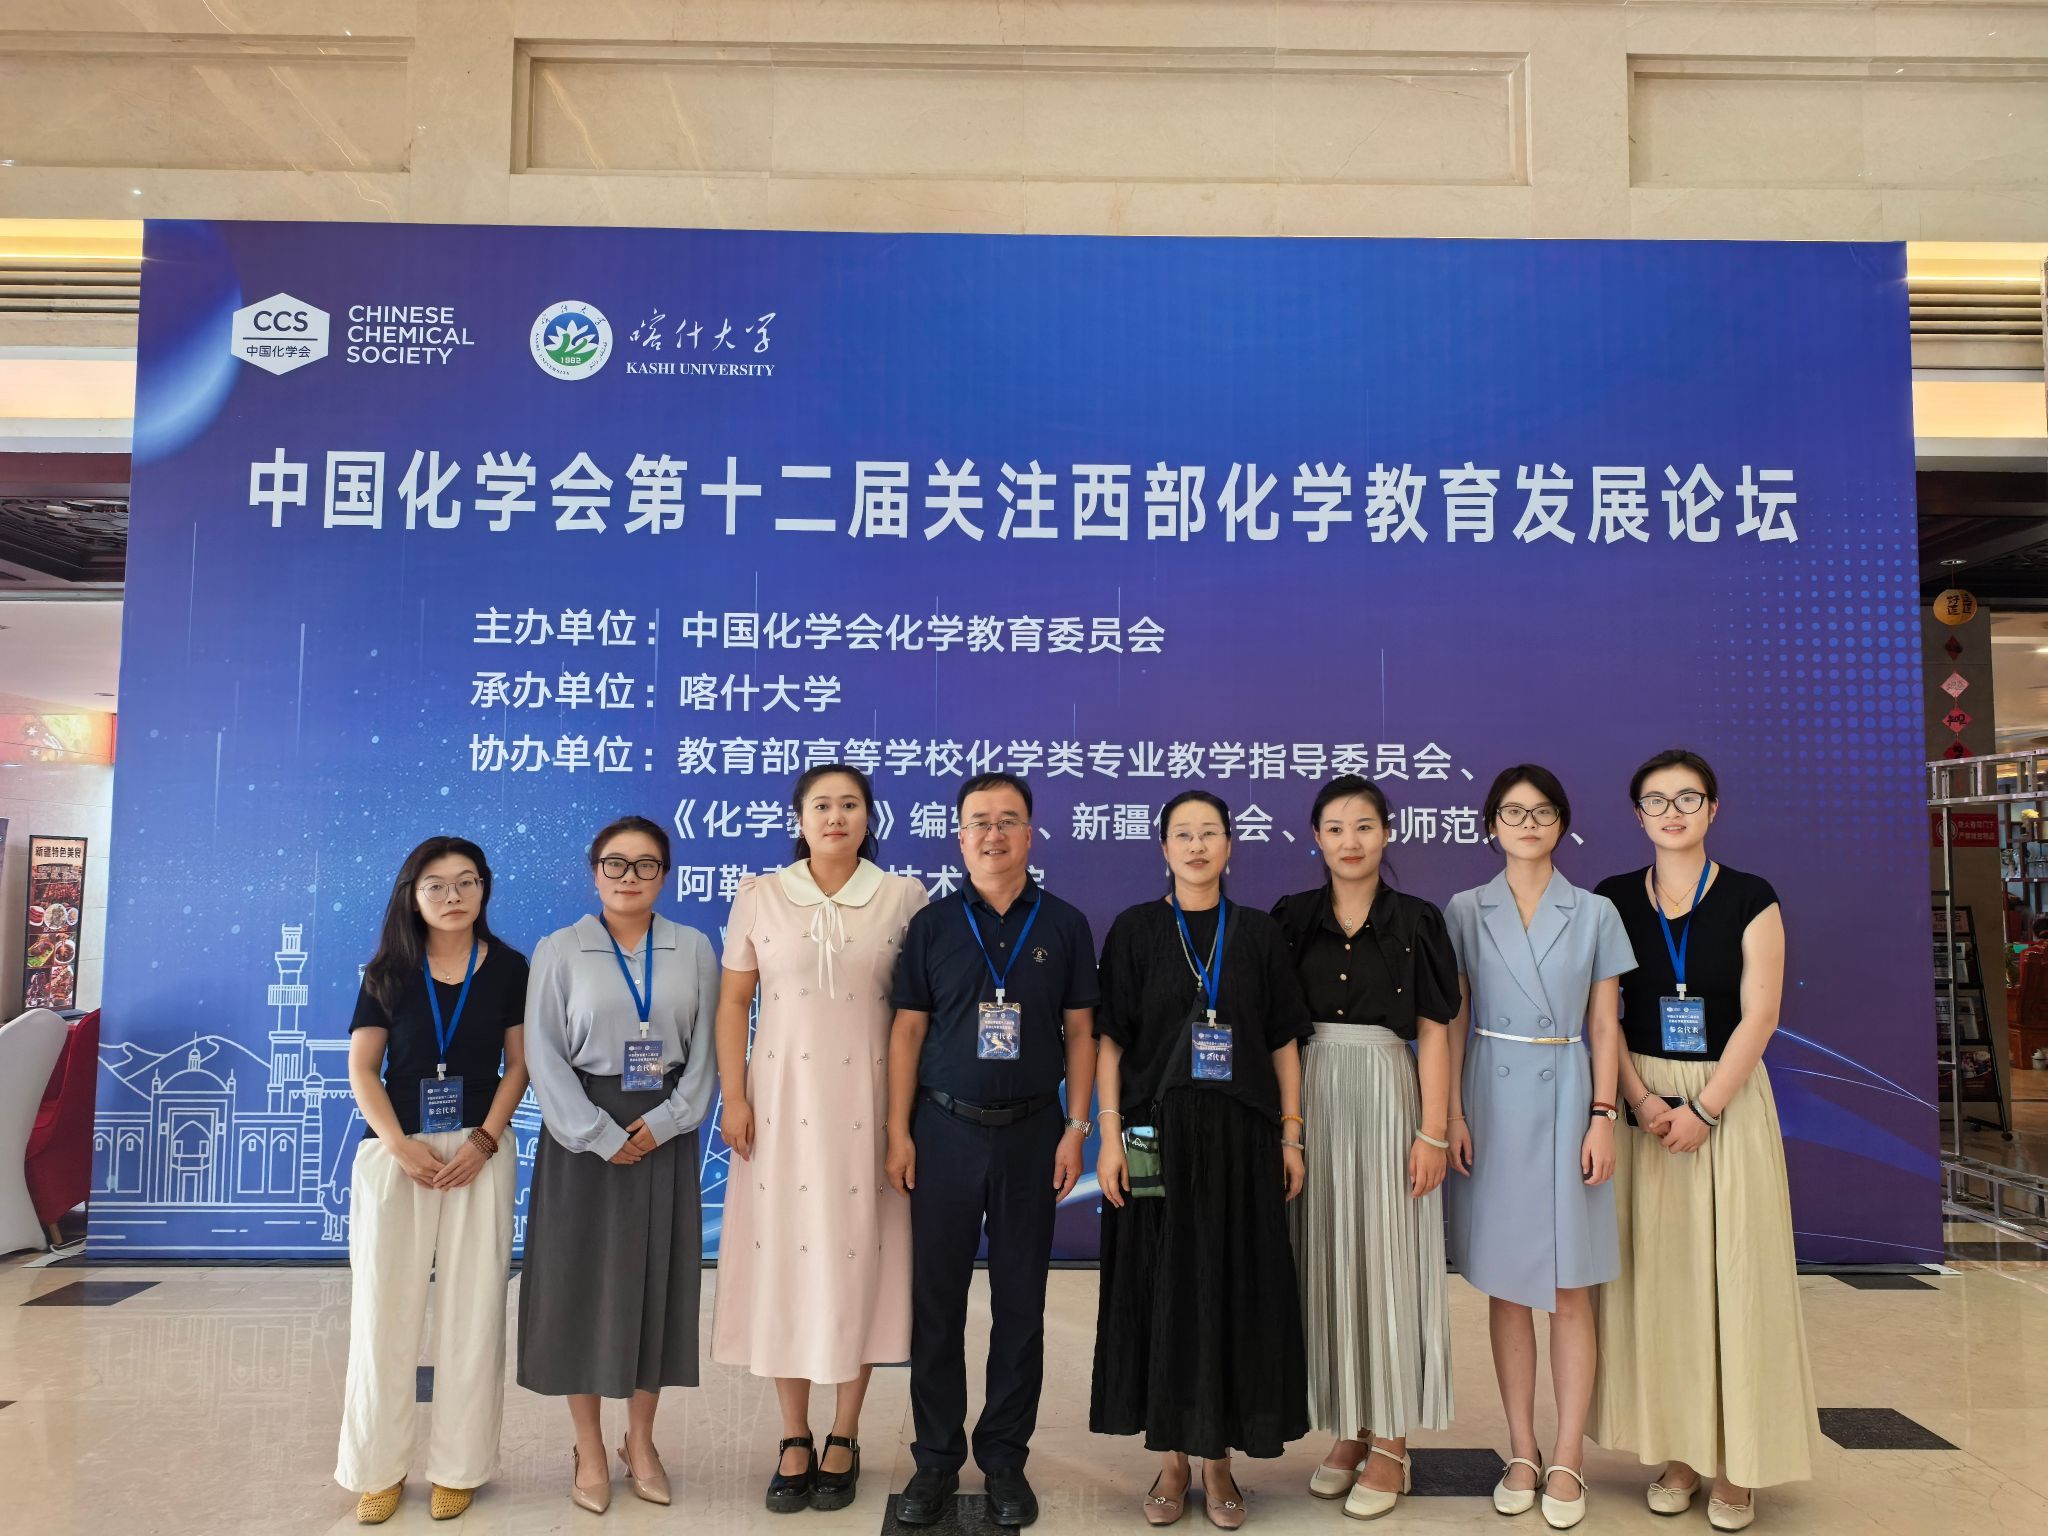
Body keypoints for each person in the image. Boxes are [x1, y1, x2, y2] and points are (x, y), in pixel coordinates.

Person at [1588, 749, 1820, 1532]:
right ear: (1637, 815)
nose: (1673, 812)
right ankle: (1680, 1451)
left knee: (1737, 1279)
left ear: (1713, 809)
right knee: (1662, 1285)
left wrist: (1706, 1110)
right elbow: (1604, 1015)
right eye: (1656, 800)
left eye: (1688, 798)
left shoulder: (1752, 897)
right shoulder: (1614, 898)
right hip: (1645, 1101)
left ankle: (1738, 1464)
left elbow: (1762, 1014)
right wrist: (1641, 1100)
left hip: (1727, 1098)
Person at [1092, 790, 1312, 1531]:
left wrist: (1290, 1135)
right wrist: (1110, 1135)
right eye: (1182, 835)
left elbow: (1283, 1041)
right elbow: (1112, 1042)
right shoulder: (1135, 930)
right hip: (1151, 1134)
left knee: (1231, 1288)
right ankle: (1171, 1460)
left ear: (1229, 846)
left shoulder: (1257, 933)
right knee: (1159, 1287)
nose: (1196, 846)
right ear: (1163, 848)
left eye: (1209, 833)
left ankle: (1218, 1460)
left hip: (1242, 1137)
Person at [885, 772, 1099, 1529]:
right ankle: (936, 1459)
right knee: (936, 1306)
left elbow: (1082, 1031)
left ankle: (1005, 1458)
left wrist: (1077, 1128)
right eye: (979, 821)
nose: (993, 834)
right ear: (960, 836)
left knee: (1020, 1305)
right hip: (942, 1131)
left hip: (1034, 1133)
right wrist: (898, 1131)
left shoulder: (1064, 923)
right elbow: (908, 1030)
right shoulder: (933, 924)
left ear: (1030, 834)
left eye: (1008, 820)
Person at [712, 764, 927, 1513]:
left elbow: (916, 1016)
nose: (836, 817)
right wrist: (734, 1096)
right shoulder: (760, 894)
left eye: (850, 805)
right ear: (799, 819)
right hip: (778, 1109)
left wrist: (904, 1124)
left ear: (870, 817)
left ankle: (846, 1431)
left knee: (857, 1258)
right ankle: (793, 1433)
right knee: (785, 1260)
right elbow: (734, 1001)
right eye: (822, 805)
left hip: (870, 1106)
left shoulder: (902, 896)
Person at [1443, 765, 1632, 1532]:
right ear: (1491, 824)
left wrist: (1603, 1115)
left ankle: (1566, 1455)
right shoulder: (1465, 909)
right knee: (1508, 1285)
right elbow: (1454, 1018)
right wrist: (1453, 1111)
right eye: (1513, 812)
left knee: (1570, 1286)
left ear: (1563, 823)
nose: (1528, 823)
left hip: (1567, 1095)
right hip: (1491, 1098)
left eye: (1543, 811)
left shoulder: (1594, 912)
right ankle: (1521, 1450)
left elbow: (1605, 1025)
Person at [517, 815, 718, 1514]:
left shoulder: (693, 947)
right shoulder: (560, 948)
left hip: (663, 1131)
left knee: (655, 1287)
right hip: (582, 1137)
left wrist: (667, 1121)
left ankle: (642, 1440)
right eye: (615, 864)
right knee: (578, 1287)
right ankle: (589, 1447)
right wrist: (595, 1132)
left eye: (646, 864)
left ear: (665, 874)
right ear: (594, 871)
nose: (629, 877)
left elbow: (708, 1053)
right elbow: (542, 1054)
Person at [1272, 776, 1457, 1521]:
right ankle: (1349, 1427)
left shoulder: (1418, 920)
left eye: (1364, 826)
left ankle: (1393, 1442)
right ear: (1315, 838)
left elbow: (1437, 1029)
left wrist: (1433, 1130)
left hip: (1388, 1092)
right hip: (1311, 1091)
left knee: (1389, 1261)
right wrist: (1286, 1128)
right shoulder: (1290, 918)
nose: (1350, 841)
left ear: (1387, 833)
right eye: (1335, 828)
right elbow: (1275, 1029)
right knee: (1325, 1261)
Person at [336, 837, 529, 1525]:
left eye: (467, 882)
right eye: (436, 885)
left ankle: (459, 1467)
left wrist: (485, 1140)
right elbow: (363, 1068)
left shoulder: (509, 967)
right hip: (399, 1154)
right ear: (411, 895)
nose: (453, 896)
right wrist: (397, 1145)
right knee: (383, 1314)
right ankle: (378, 1469)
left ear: (484, 888)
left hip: (479, 1152)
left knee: (473, 1314)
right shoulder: (388, 970)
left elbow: (518, 1066)